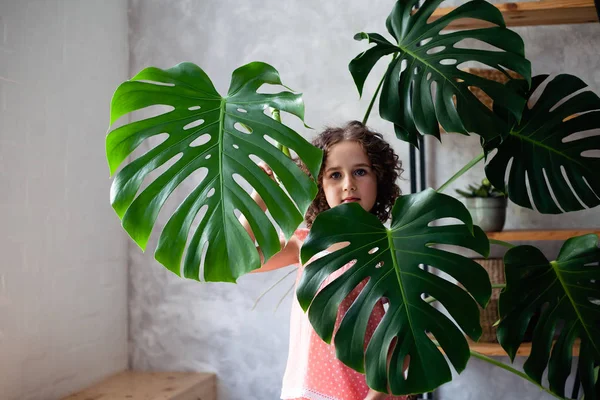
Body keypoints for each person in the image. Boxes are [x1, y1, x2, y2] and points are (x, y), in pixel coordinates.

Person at [240, 121, 412, 400]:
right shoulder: (307, 243)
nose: (348, 184)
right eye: (334, 175)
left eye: (360, 171)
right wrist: (260, 194)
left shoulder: (392, 250)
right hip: (306, 391)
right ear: (318, 185)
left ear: (379, 178)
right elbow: (239, 256)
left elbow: (405, 343)